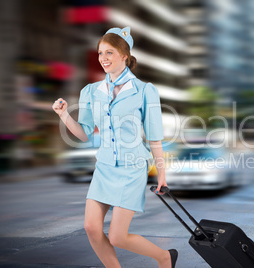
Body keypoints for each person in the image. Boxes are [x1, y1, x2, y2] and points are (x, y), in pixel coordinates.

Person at [52, 27, 178, 268]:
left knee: (118, 237)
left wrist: (162, 174)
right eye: (100, 53)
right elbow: (84, 134)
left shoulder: (144, 90)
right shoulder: (91, 91)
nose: (103, 58)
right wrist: (64, 115)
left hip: (132, 169)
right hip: (105, 168)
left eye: (109, 52)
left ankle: (164, 257)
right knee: (91, 227)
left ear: (124, 55)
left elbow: (154, 138)